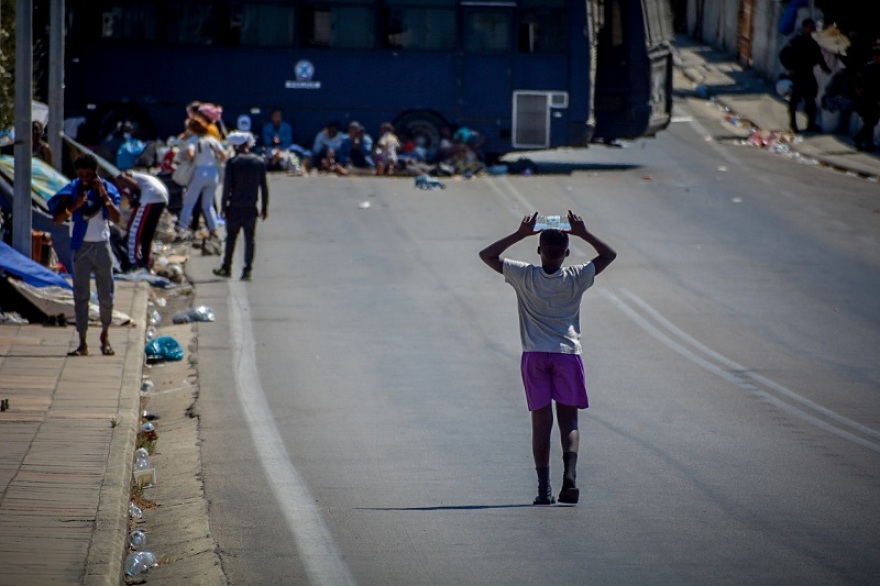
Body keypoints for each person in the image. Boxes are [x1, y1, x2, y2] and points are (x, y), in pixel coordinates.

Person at [478, 210, 617, 505]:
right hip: (567, 355)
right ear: (566, 253)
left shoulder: (524, 274)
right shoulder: (577, 275)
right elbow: (608, 255)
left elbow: (487, 255)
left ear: (539, 251)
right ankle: (569, 478)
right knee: (569, 423)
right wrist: (583, 233)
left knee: (541, 425)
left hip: (534, 357)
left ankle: (544, 490)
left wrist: (519, 234)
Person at [47, 154, 122, 357]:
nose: (85, 179)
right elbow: (57, 219)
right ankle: (82, 342)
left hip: (102, 247)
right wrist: (75, 205)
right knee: (81, 297)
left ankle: (105, 335)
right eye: (82, 175)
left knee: (106, 296)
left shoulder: (107, 188)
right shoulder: (72, 189)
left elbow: (117, 217)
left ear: (96, 172)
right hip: (80, 248)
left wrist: (103, 195)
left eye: (89, 175)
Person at [213, 131, 268, 282]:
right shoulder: (259, 162)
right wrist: (264, 207)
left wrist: (223, 207)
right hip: (251, 207)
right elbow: (263, 187)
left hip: (235, 207)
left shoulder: (233, 163)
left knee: (231, 238)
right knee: (249, 239)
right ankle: (247, 270)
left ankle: (226, 268)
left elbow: (227, 187)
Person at [175, 117, 227, 239]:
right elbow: (223, 155)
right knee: (208, 204)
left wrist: (188, 159)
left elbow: (190, 153)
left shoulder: (193, 140)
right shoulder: (212, 140)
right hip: (213, 173)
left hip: (199, 172)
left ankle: (182, 228)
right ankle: (213, 229)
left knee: (189, 202)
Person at [779, 19, 832, 133]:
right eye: (809, 27)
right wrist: (790, 68)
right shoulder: (796, 41)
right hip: (798, 74)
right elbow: (783, 55)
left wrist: (825, 68)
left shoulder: (813, 42)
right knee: (794, 101)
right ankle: (793, 124)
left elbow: (818, 57)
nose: (811, 29)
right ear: (804, 28)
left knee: (810, 100)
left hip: (808, 73)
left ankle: (811, 124)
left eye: (812, 27)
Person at [114, 171, 169, 270]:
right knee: (147, 234)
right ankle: (146, 261)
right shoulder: (140, 177)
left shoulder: (120, 177)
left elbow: (132, 184)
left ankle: (133, 261)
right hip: (160, 197)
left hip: (150, 197)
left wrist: (134, 195)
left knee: (134, 231)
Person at [853, 45, 880, 152]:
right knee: (870, 121)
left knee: (872, 121)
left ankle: (866, 142)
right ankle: (862, 140)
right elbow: (858, 79)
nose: (877, 58)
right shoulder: (867, 67)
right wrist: (859, 89)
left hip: (876, 99)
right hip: (866, 98)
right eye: (876, 56)